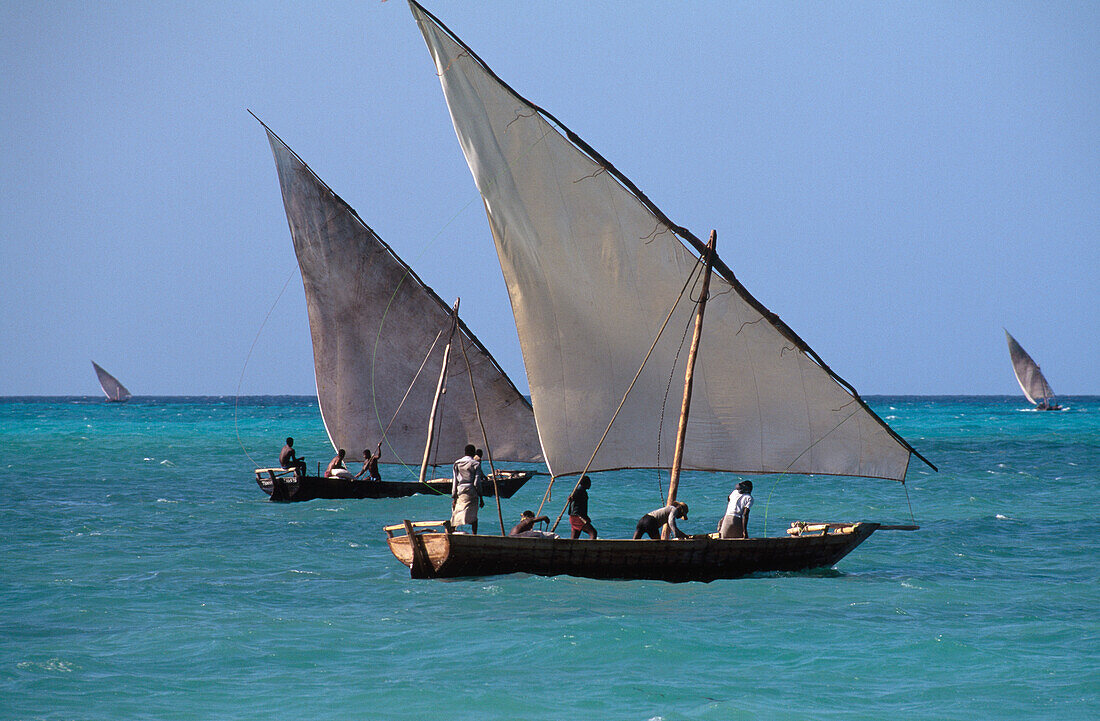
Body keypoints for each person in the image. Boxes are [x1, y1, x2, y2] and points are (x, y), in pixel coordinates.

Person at [450, 444, 485, 534]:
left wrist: (454, 496)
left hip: (460, 490)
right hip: (471, 490)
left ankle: (452, 532)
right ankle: (474, 535)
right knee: (473, 515)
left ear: (465, 452)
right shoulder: (475, 463)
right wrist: (481, 497)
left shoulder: (457, 463)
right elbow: (477, 482)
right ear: (473, 453)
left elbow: (455, 481)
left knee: (457, 512)